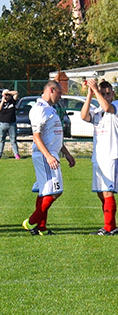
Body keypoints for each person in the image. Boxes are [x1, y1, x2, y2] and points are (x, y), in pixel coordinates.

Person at [22, 81, 76, 235]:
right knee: (56, 191)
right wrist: (48, 156)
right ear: (51, 90)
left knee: (45, 192)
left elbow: (55, 136)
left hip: (51, 154)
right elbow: (36, 136)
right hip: (45, 156)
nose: (60, 96)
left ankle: (41, 228)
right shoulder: (39, 109)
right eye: (59, 93)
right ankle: (31, 222)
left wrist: (66, 153)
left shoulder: (50, 109)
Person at [80, 79, 118, 235]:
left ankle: (108, 228)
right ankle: (111, 226)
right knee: (101, 193)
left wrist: (96, 91)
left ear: (112, 93)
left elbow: (107, 107)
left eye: (108, 93)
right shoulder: (96, 109)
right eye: (103, 93)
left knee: (108, 192)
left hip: (112, 155)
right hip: (98, 157)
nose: (105, 96)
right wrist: (89, 94)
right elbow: (84, 115)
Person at [0, 88, 20, 159]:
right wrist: (2, 101)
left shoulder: (12, 101)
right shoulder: (1, 102)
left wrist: (8, 92)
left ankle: (16, 155)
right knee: (1, 140)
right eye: (5, 95)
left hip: (12, 124)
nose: (6, 97)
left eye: (8, 95)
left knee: (13, 140)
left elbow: (16, 93)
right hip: (3, 124)